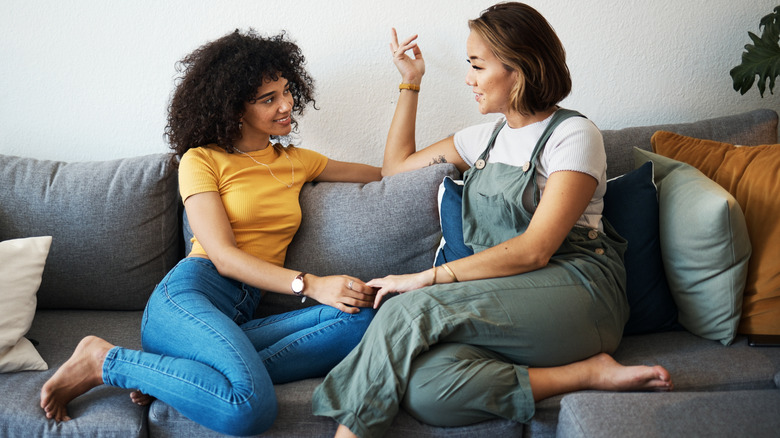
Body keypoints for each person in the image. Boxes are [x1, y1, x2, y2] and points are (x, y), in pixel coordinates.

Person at [312, 3, 673, 437]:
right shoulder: (480, 140)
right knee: (427, 387)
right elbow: (396, 168)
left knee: (408, 311)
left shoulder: (573, 135)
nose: (468, 78)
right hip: (506, 298)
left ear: (518, 69)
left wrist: (427, 278)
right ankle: (586, 374)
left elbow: (536, 249)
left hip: (580, 290)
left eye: (477, 66)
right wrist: (411, 83)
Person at [40, 29, 381, 436]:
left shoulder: (299, 162)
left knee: (366, 318)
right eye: (269, 99)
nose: (287, 105)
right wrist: (312, 285)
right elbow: (222, 255)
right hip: (191, 297)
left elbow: (389, 172)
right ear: (235, 108)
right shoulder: (201, 160)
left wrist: (413, 88)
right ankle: (105, 360)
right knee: (248, 408)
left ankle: (173, 374)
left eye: (287, 91)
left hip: (240, 317)